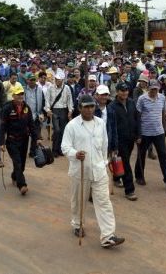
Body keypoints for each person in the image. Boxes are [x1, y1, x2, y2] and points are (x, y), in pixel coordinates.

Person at [61, 95, 126, 248]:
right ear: (80, 108)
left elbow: (105, 144)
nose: (90, 110)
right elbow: (65, 147)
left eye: (92, 106)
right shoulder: (72, 126)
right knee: (79, 200)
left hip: (99, 169)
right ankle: (78, 224)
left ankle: (108, 236)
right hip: (80, 170)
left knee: (104, 202)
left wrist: (104, 162)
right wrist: (75, 153)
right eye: (86, 107)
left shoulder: (101, 123)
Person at [134, 79, 166, 189]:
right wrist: (138, 134)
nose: (154, 91)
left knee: (163, 155)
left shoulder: (162, 98)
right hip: (145, 132)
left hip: (158, 132)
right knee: (141, 154)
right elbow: (137, 116)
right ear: (148, 88)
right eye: (152, 89)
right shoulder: (142, 99)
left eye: (156, 89)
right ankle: (139, 177)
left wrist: (164, 128)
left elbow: (163, 113)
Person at [0, 86, 42, 195]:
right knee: (17, 162)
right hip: (12, 140)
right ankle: (22, 185)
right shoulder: (7, 108)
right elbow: (3, 126)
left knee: (21, 165)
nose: (20, 96)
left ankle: (14, 176)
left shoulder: (26, 108)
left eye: (22, 94)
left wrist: (37, 138)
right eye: (18, 94)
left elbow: (31, 125)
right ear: (13, 96)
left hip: (24, 140)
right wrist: (1, 143)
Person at [110, 82, 140, 201]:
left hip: (131, 138)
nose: (125, 93)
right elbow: (111, 126)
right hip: (119, 139)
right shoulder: (112, 106)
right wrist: (114, 143)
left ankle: (117, 178)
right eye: (122, 91)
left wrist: (138, 134)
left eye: (126, 90)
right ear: (117, 92)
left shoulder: (132, 102)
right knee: (126, 163)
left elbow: (137, 119)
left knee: (121, 160)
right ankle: (129, 189)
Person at [44, 72, 74, 157]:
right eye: (56, 79)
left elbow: (69, 100)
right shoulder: (50, 87)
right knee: (57, 130)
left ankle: (60, 149)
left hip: (64, 110)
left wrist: (70, 110)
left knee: (63, 131)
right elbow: (47, 99)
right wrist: (48, 109)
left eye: (59, 80)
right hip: (54, 110)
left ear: (62, 80)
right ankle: (54, 149)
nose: (57, 81)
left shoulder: (67, 88)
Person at [24, 75, 46, 157]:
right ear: (27, 80)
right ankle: (23, 152)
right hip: (26, 116)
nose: (32, 81)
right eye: (31, 80)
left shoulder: (40, 90)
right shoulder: (24, 90)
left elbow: (43, 101)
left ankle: (32, 152)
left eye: (34, 80)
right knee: (25, 136)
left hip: (37, 115)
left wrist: (42, 113)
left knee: (35, 135)